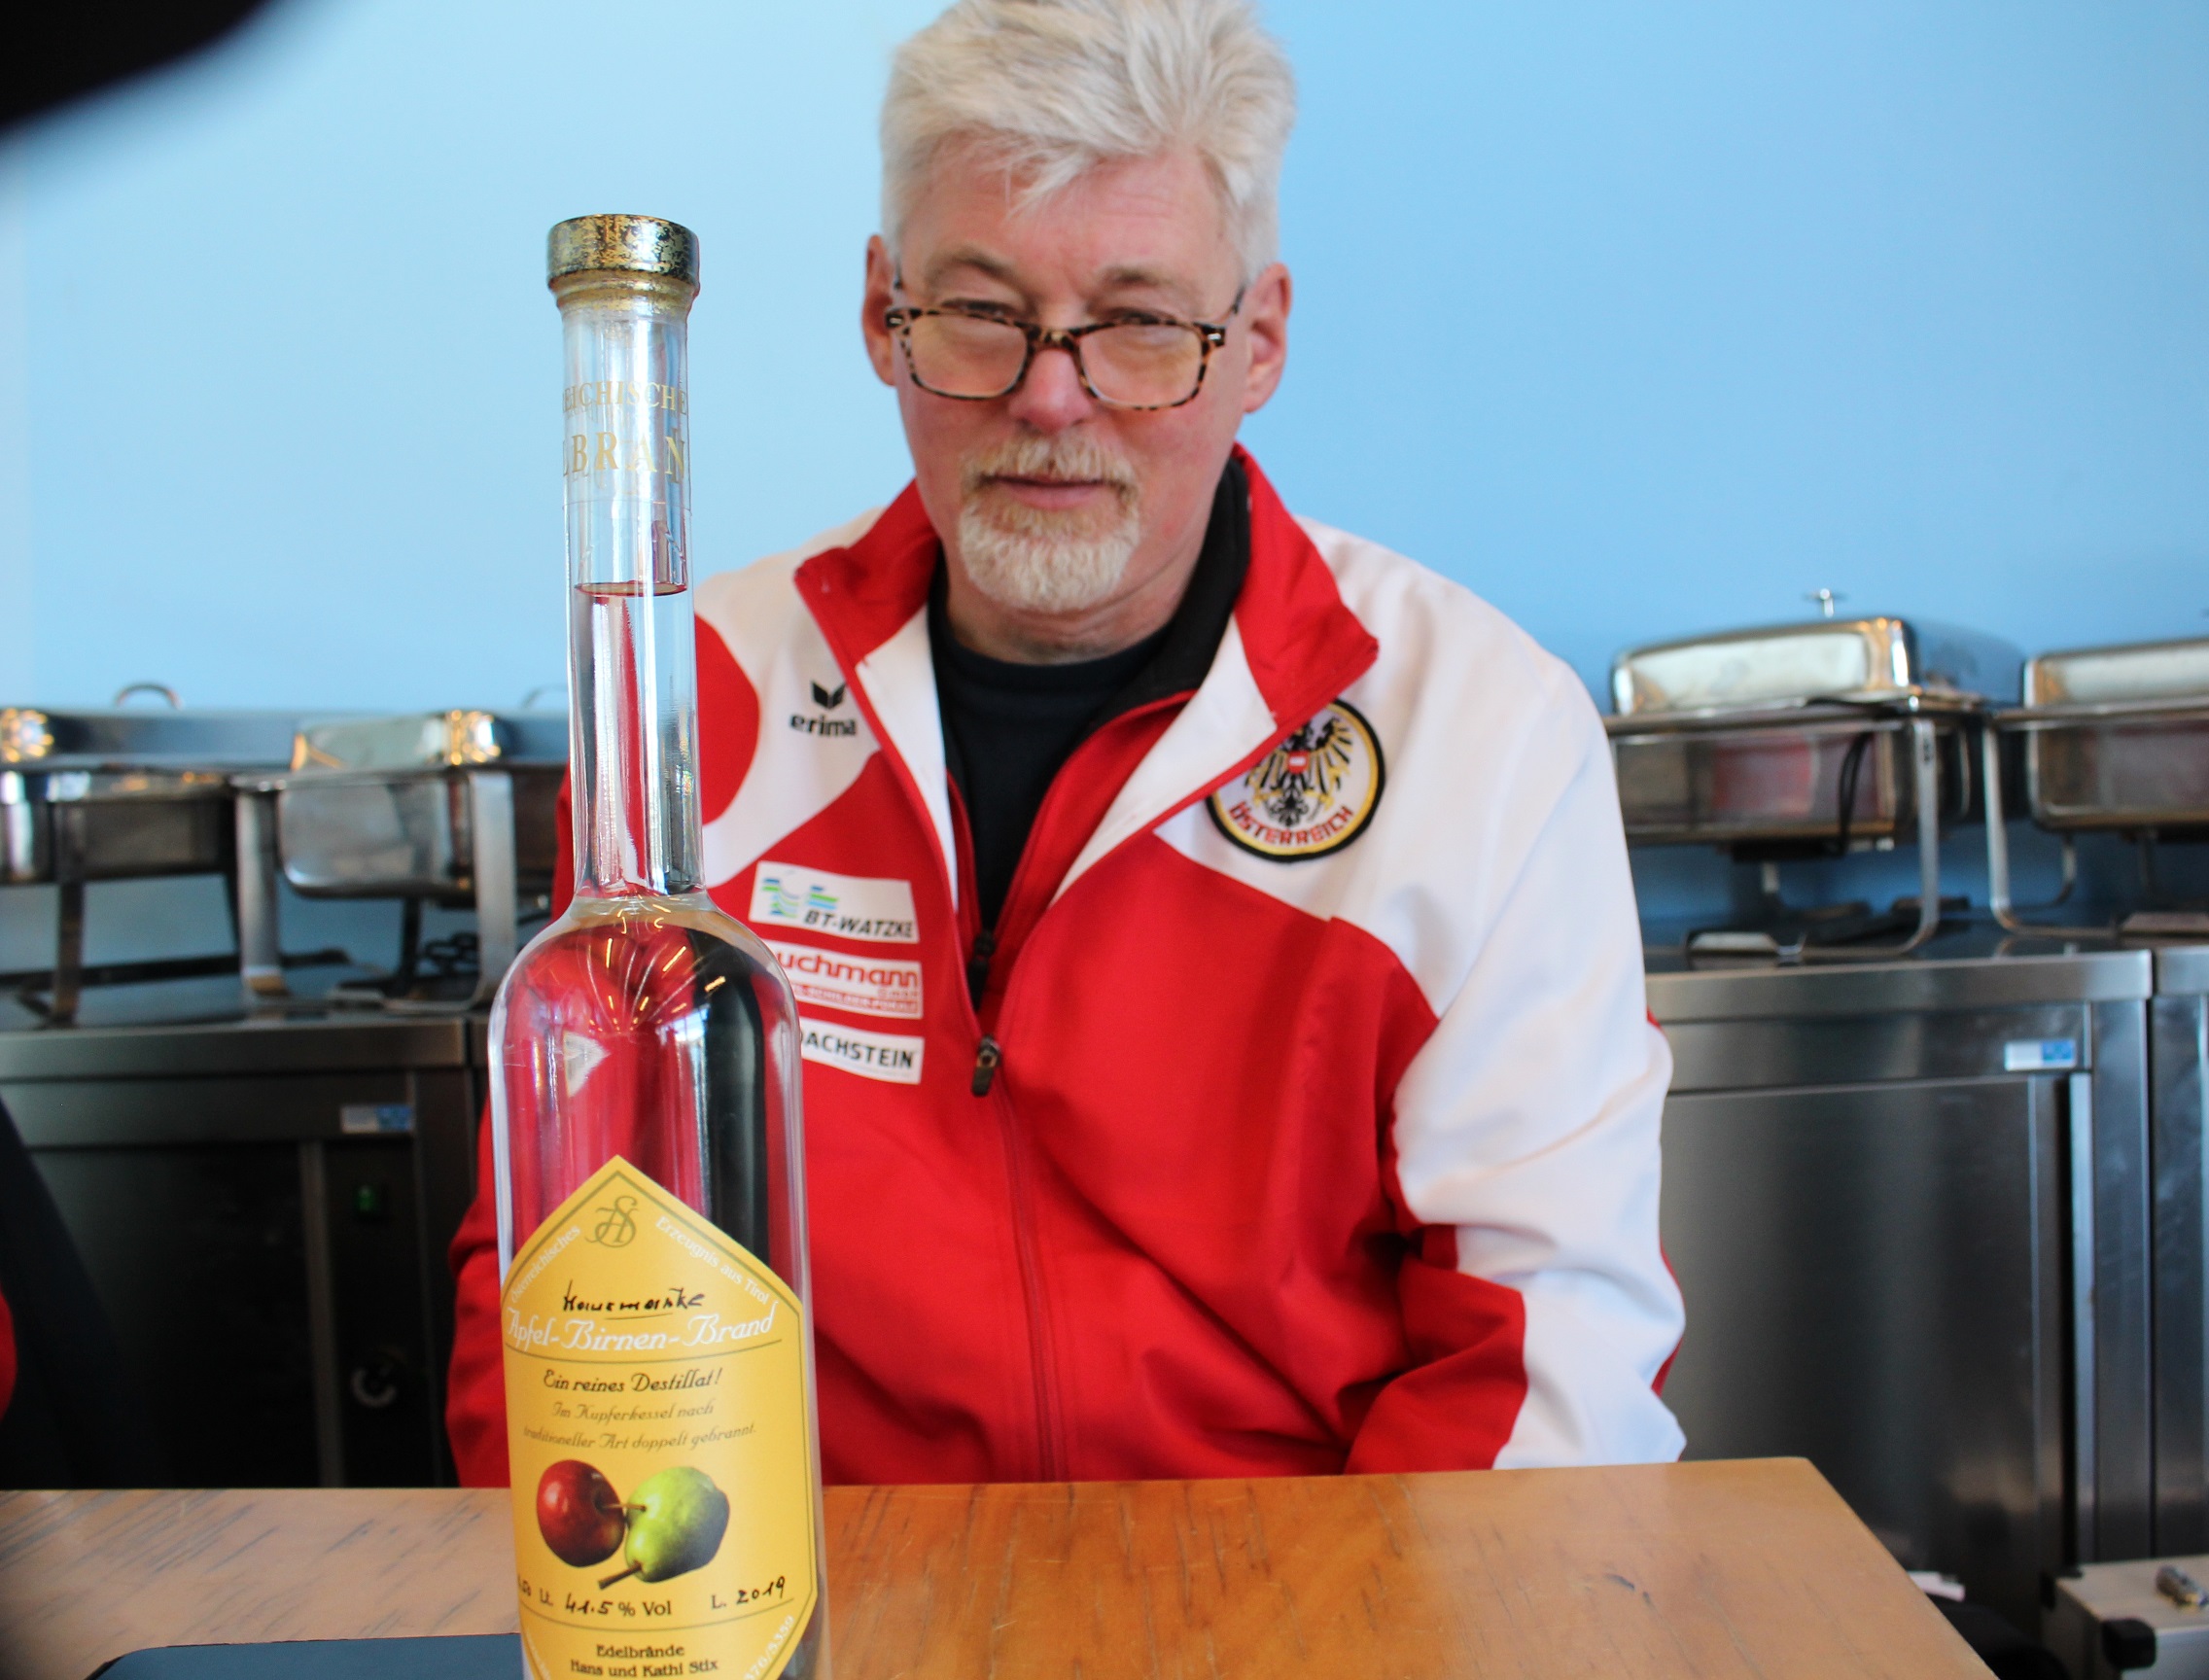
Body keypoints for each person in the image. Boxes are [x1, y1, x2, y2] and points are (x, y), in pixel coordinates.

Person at [445, 0, 1681, 1485]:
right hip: (811, 1585)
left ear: (1259, 341)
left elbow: (1547, 1368)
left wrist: (1346, 1616)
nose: (1050, 396)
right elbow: (562, 1272)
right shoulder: (691, 690)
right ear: (881, 314)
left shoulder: (1477, 733)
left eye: (1141, 323)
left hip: (1313, 1588)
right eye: (982, 310)